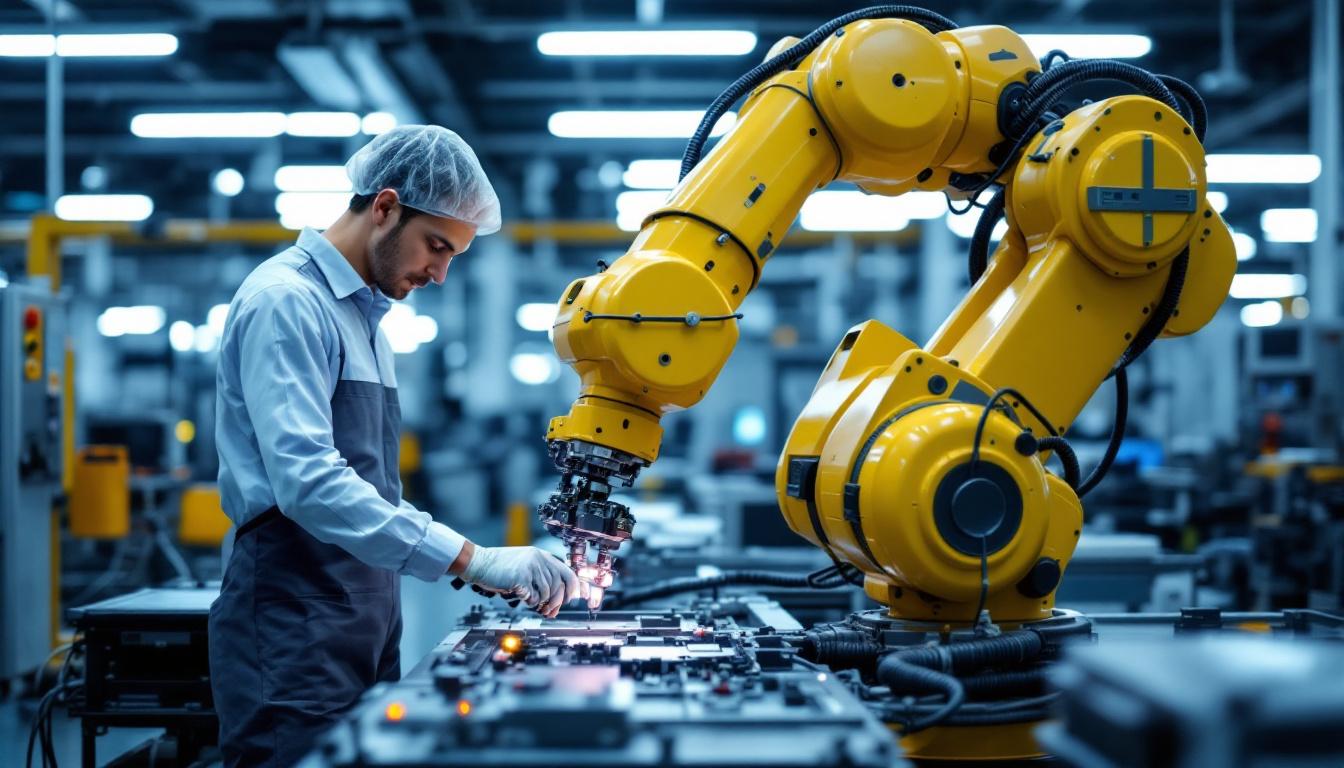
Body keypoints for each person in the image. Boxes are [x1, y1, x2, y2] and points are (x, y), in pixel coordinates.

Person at [208, 125, 580, 767]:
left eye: (453, 256)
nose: (439, 272)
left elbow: (371, 485)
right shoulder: (286, 303)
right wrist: (471, 558)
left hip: (364, 609)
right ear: (383, 207)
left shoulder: (366, 320)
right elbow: (310, 483)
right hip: (293, 615)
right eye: (436, 246)